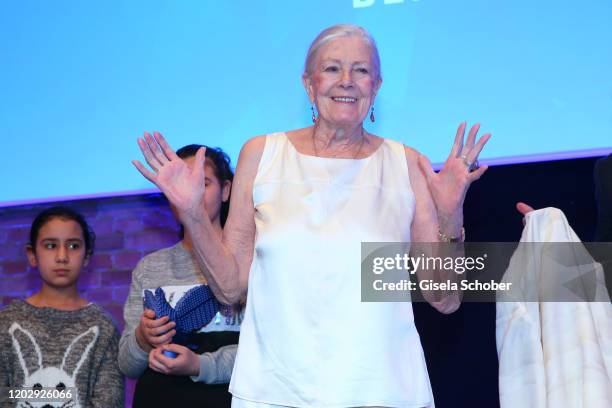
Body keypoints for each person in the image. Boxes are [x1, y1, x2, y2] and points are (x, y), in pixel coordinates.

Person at [133, 24, 490, 407]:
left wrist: (451, 215)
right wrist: (194, 216)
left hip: (383, 389)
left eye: (362, 70)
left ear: (377, 86)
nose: (348, 81)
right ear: (309, 84)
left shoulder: (407, 164)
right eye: (333, 68)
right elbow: (231, 288)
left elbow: (445, 298)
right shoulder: (261, 154)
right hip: (276, 390)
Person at [120, 145, 241, 407]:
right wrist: (143, 337)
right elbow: (128, 366)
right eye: (181, 183)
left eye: (203, 183)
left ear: (226, 190)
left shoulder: (250, 261)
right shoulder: (150, 267)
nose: (191, 193)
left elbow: (272, 354)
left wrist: (200, 365)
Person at [0, 206, 124, 407]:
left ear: (86, 257)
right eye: (50, 246)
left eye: (73, 246)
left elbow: (109, 401)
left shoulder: (103, 326)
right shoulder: (7, 321)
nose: (62, 256)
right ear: (32, 255)